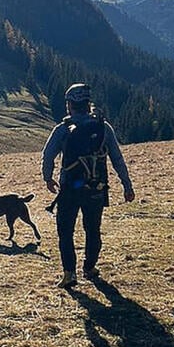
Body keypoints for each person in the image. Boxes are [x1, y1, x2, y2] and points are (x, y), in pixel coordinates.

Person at [41, 83, 135, 288]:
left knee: (65, 231)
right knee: (93, 229)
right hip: (97, 187)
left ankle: (69, 273)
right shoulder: (103, 127)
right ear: (87, 103)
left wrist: (48, 178)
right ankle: (90, 267)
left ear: (70, 105)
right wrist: (127, 185)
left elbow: (48, 155)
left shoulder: (63, 129)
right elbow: (117, 158)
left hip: (69, 189)